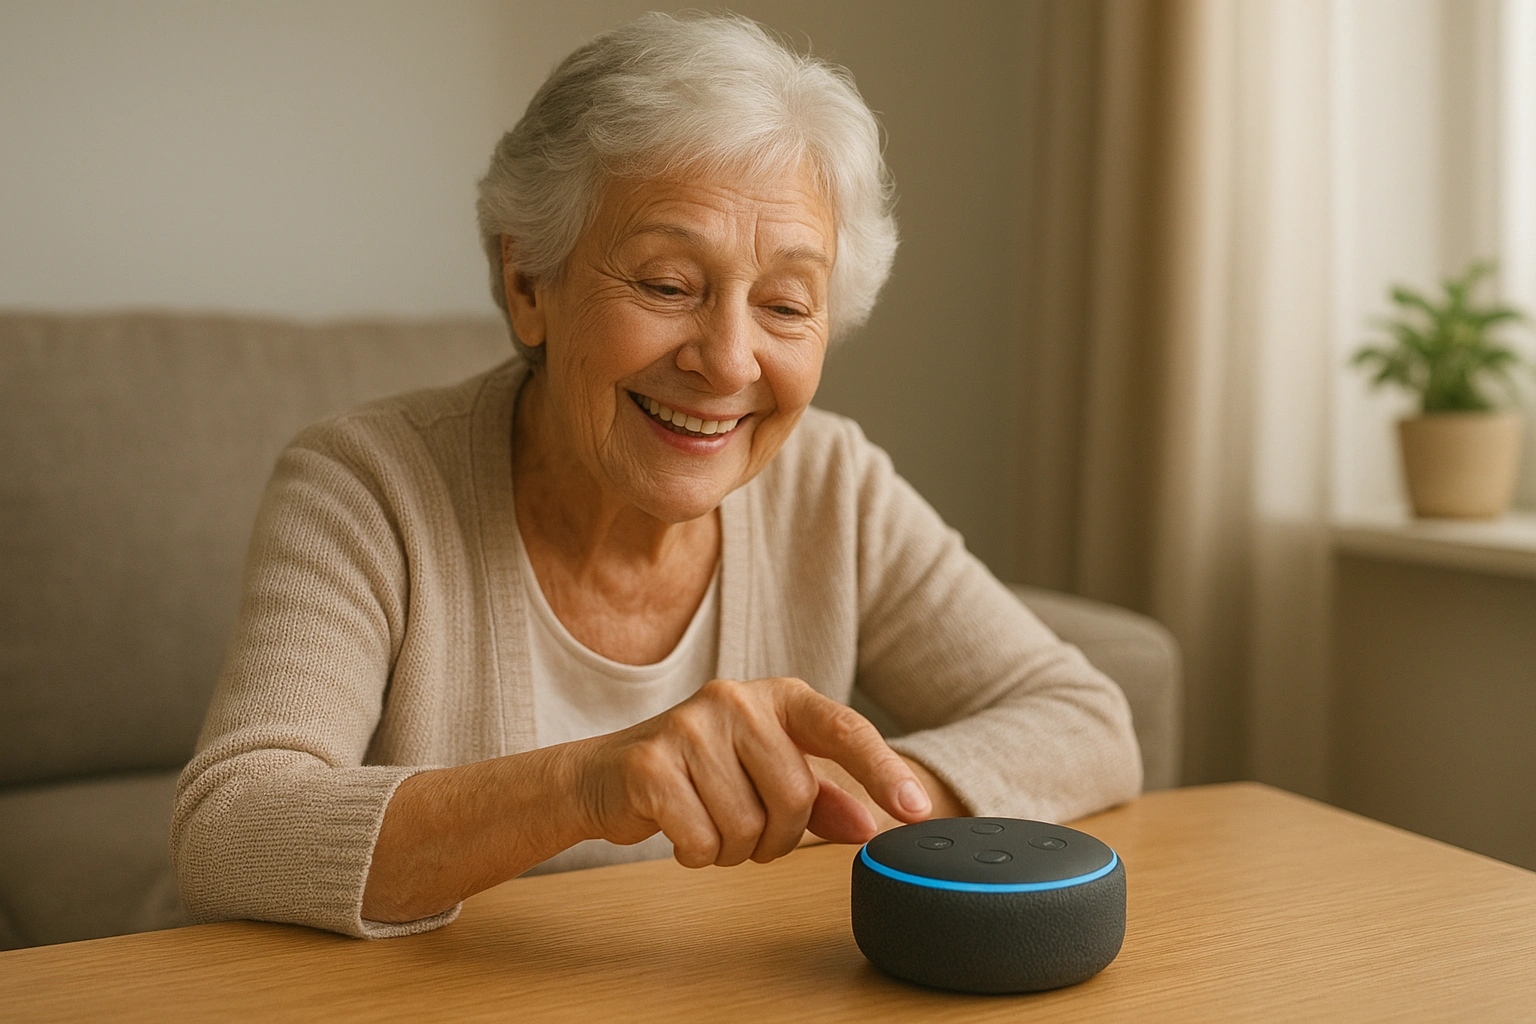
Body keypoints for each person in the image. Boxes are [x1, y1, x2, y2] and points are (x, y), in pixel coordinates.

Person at [171, 11, 1141, 939]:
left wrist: (825, 801)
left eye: (786, 306)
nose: (727, 361)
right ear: (527, 282)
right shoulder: (365, 487)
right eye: (668, 285)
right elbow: (230, 827)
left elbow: (1087, 721)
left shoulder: (831, 485)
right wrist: (594, 783)